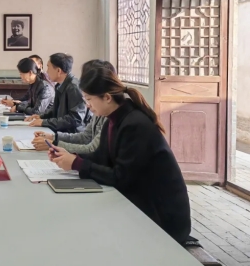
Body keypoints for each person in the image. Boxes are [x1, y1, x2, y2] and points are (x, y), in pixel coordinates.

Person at [48, 65, 191, 244]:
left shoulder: (134, 124)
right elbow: (102, 157)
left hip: (161, 217)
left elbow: (120, 177)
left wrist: (77, 163)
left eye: (89, 99)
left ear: (107, 97)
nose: (88, 106)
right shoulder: (114, 119)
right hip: (139, 202)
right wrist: (70, 156)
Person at [31, 60, 116, 153]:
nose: (87, 106)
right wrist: (53, 137)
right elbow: (86, 136)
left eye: (88, 99)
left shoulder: (74, 87)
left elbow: (93, 149)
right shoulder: (99, 108)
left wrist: (54, 143)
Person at [26, 53, 86, 133]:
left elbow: (75, 119)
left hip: (71, 135)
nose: (47, 71)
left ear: (58, 71)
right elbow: (56, 111)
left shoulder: (73, 88)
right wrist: (41, 117)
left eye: (48, 67)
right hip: (60, 132)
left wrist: (45, 122)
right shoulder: (59, 85)